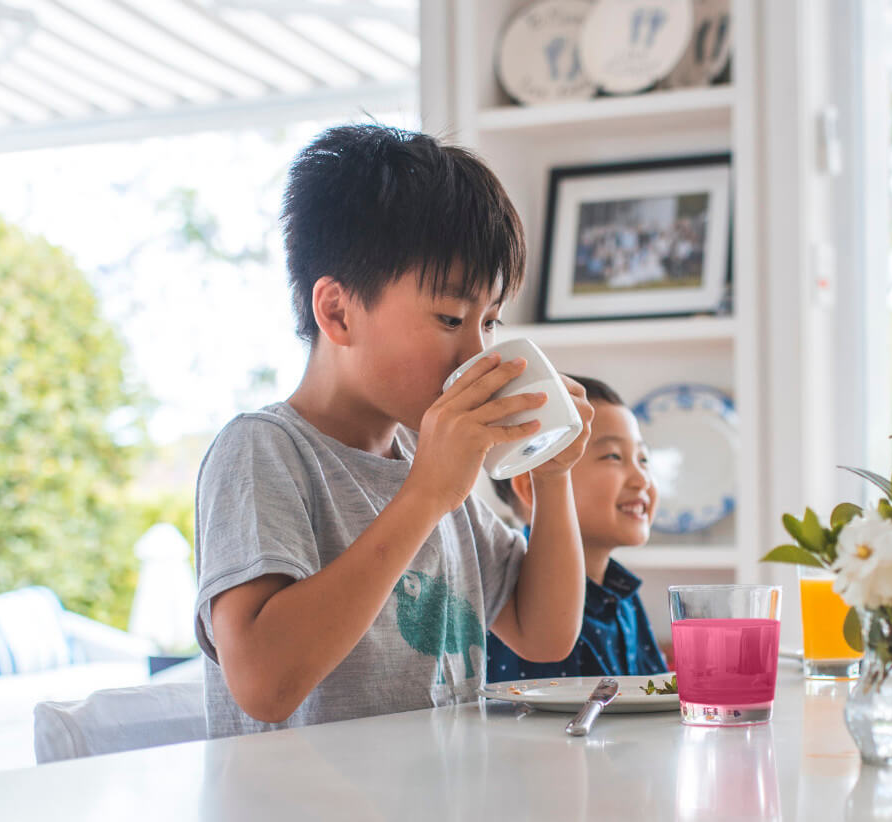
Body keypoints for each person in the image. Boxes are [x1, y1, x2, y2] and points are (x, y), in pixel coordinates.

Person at [192, 124, 594, 738]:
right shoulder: (263, 450)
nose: (477, 353)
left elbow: (544, 634)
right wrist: (426, 495)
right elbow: (263, 684)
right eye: (450, 318)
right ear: (338, 312)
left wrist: (553, 475)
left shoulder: (426, 461)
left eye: (489, 322)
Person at [485, 376, 668, 681]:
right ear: (532, 488)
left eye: (643, 458)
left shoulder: (623, 596)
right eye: (613, 456)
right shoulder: (516, 605)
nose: (642, 479)